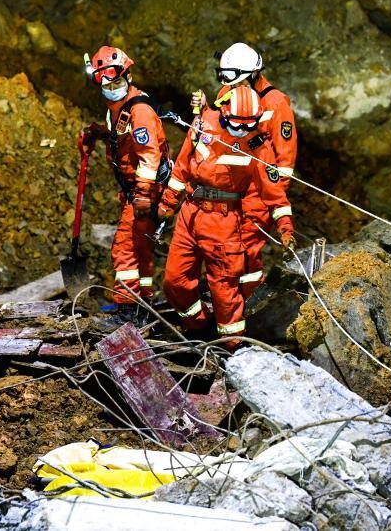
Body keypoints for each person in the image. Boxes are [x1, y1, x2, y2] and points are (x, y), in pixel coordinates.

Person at [159, 85, 295, 348]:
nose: (242, 131)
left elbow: (274, 193)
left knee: (224, 288)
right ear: (223, 111)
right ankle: (198, 325)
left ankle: (232, 346)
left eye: (248, 125)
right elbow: (183, 166)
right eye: (237, 124)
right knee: (174, 281)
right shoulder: (203, 125)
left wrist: (285, 227)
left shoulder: (258, 146)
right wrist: (168, 203)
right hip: (190, 213)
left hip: (223, 220)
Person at [193, 43, 297, 300]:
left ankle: (247, 301)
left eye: (232, 78)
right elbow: (218, 132)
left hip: (257, 191)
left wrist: (271, 201)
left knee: (247, 249)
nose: (228, 84)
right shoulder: (229, 91)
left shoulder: (275, 103)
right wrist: (204, 111)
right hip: (228, 187)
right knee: (220, 245)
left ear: (251, 73)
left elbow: (284, 161)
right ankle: (223, 294)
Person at [80, 46, 170, 326]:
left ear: (127, 76)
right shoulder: (117, 107)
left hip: (145, 190)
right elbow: (122, 136)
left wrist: (143, 193)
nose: (111, 87)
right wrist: (100, 134)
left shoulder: (139, 110)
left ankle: (127, 311)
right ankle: (143, 305)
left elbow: (149, 155)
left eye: (117, 82)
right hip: (136, 190)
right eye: (106, 83)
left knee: (124, 249)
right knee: (140, 249)